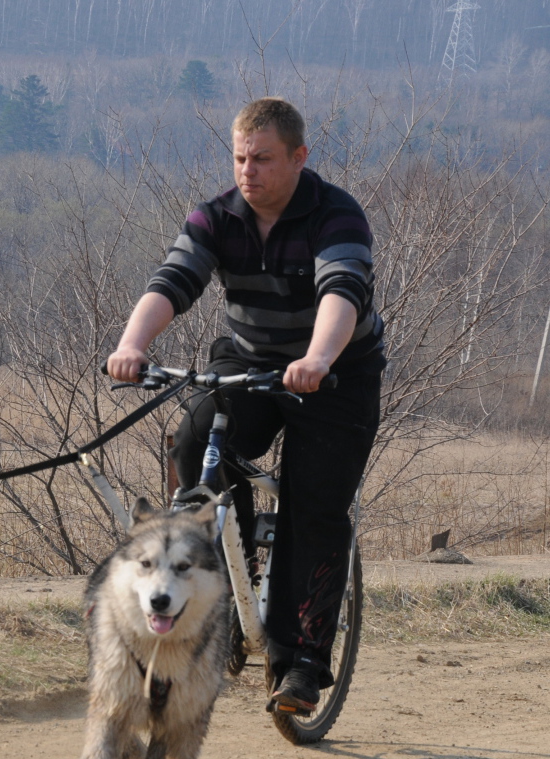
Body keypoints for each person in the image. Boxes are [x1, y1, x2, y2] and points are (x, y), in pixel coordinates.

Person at [105, 97, 385, 715]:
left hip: (336, 374)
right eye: (239, 158)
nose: (246, 171)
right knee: (194, 447)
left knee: (313, 506)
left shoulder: (335, 214)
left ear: (299, 157)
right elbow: (173, 280)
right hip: (250, 360)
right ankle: (232, 591)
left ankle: (299, 662)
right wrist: (131, 345)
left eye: (262, 159)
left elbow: (342, 291)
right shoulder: (217, 216)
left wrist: (317, 358)